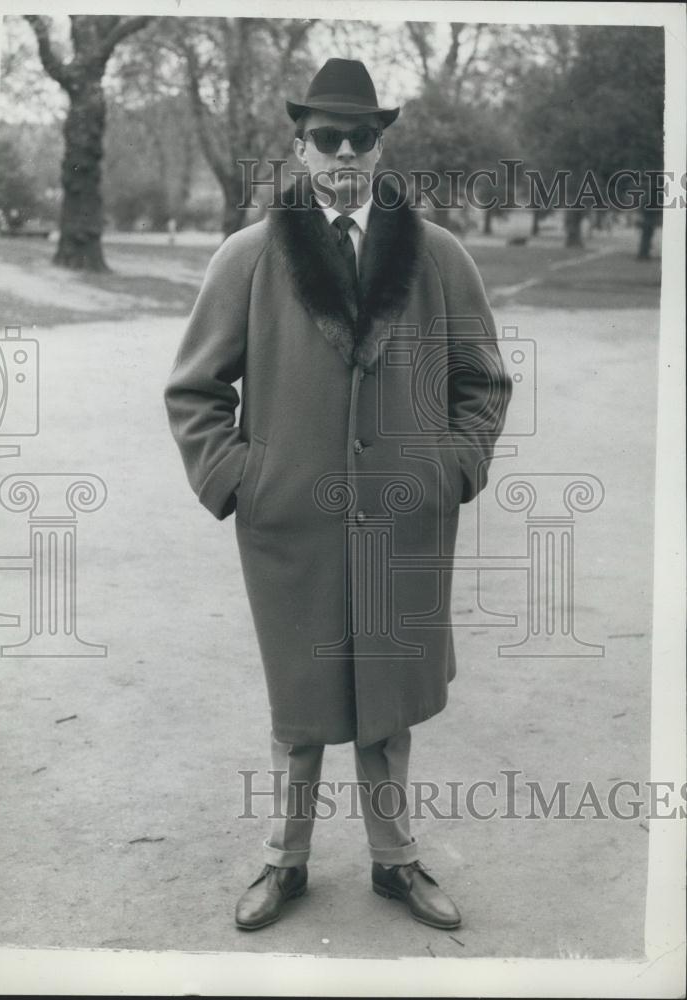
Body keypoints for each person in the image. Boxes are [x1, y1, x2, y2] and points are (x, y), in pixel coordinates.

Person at [164, 58, 512, 932]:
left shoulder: (437, 256)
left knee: (388, 701)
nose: (346, 152)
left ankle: (395, 864)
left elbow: (484, 385)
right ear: (299, 145)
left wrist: (453, 470)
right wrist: (243, 480)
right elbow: (195, 391)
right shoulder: (249, 256)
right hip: (294, 524)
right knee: (301, 703)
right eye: (328, 137)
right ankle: (285, 863)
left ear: (381, 145)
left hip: (404, 523)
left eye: (363, 136)